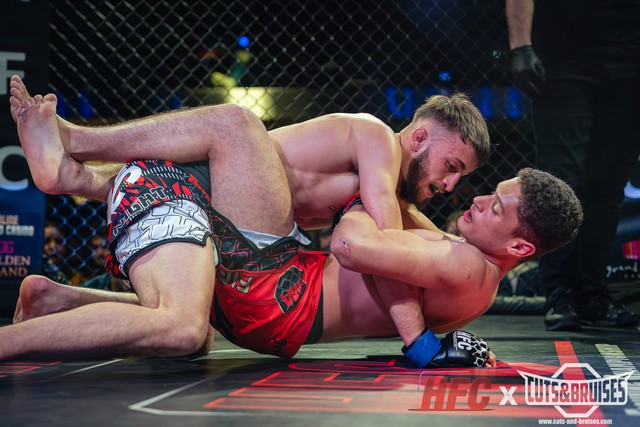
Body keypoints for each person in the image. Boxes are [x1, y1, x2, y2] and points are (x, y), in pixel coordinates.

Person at [2, 79, 583, 366]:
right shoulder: (378, 144)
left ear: (518, 245)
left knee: (186, 326)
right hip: (230, 229)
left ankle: (77, 175)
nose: (461, 193)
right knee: (236, 124)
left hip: (243, 246)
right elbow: (376, 245)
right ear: (420, 137)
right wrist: (421, 343)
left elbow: (379, 250)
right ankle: (73, 148)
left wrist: (421, 344)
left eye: (489, 201)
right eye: (452, 169)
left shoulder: (444, 245)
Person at [506, 0, 640, 330]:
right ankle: (560, 293)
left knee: (609, 183)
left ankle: (593, 294)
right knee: (558, 181)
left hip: (630, 61)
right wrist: (520, 46)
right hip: (562, 58)